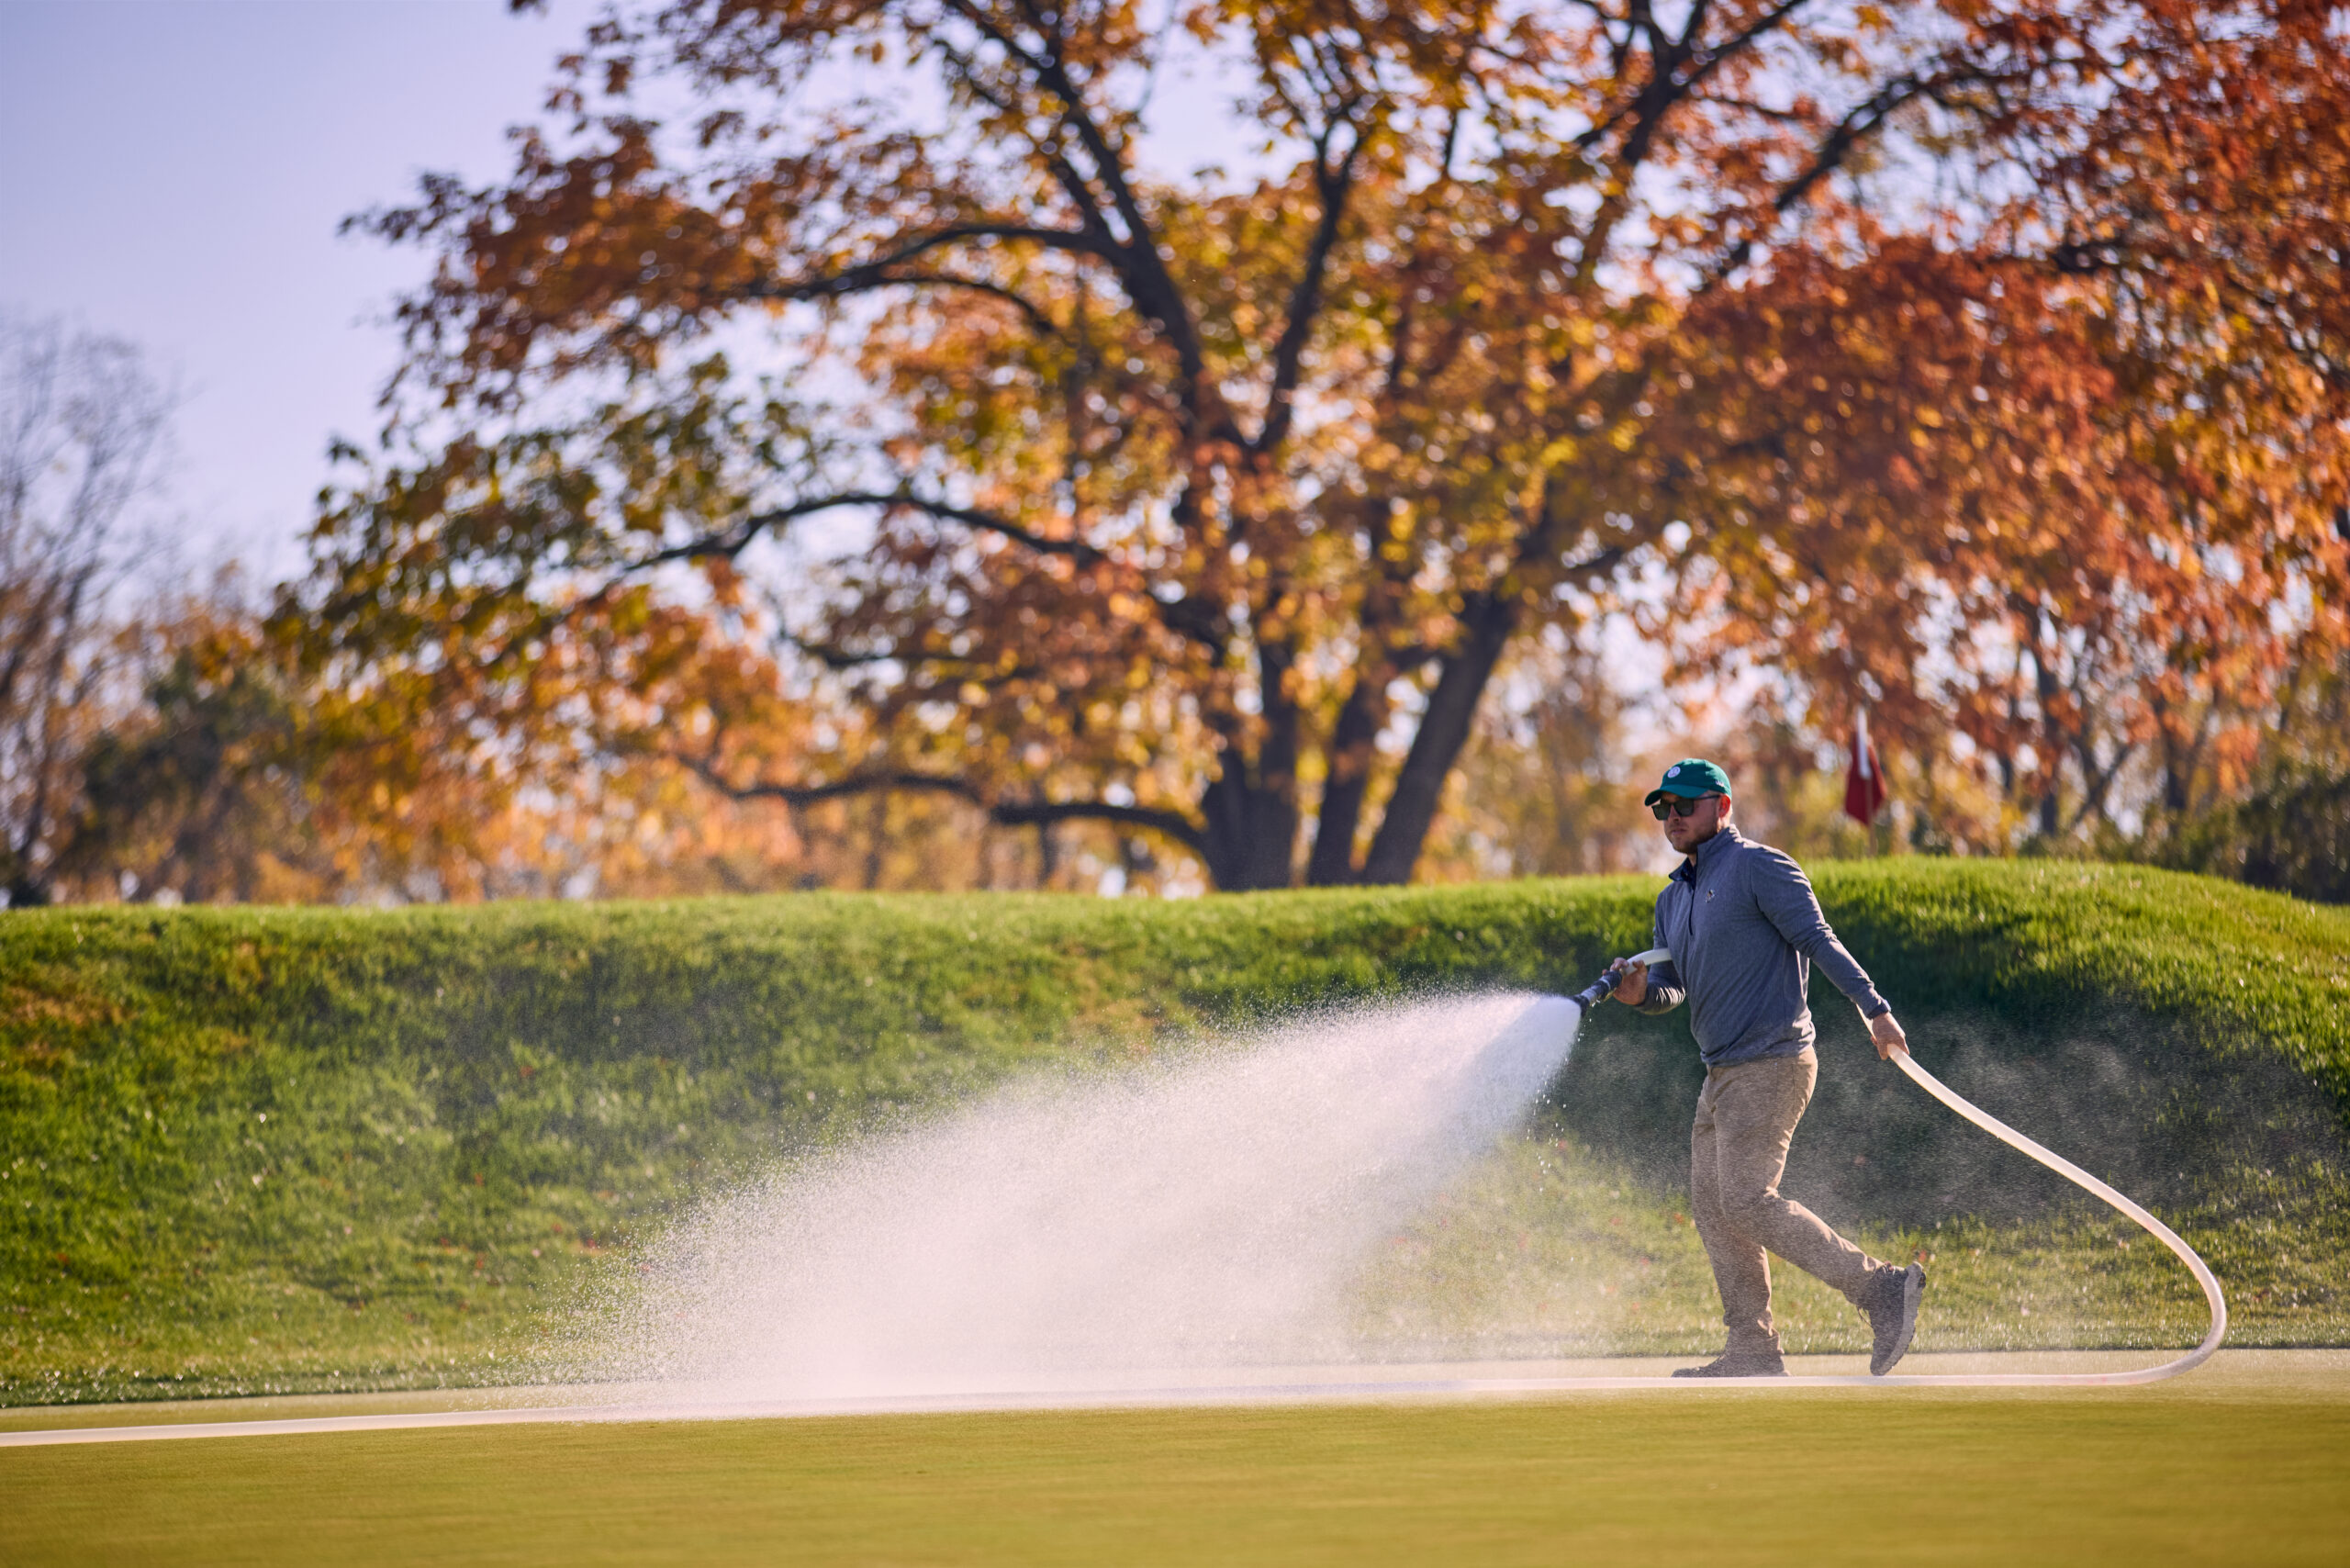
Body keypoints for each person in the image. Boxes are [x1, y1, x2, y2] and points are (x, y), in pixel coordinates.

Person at [1606, 758, 1925, 1378]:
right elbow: (1672, 990)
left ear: (1721, 807)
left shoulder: (1760, 866)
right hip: (1720, 1074)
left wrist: (1875, 1009)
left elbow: (1820, 940)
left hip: (1774, 1060)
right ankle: (1752, 1347)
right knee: (1713, 1205)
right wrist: (1640, 994)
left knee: (1747, 1200)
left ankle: (1881, 1289)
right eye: (1662, 809)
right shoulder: (1672, 898)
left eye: (1685, 805)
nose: (1671, 818)